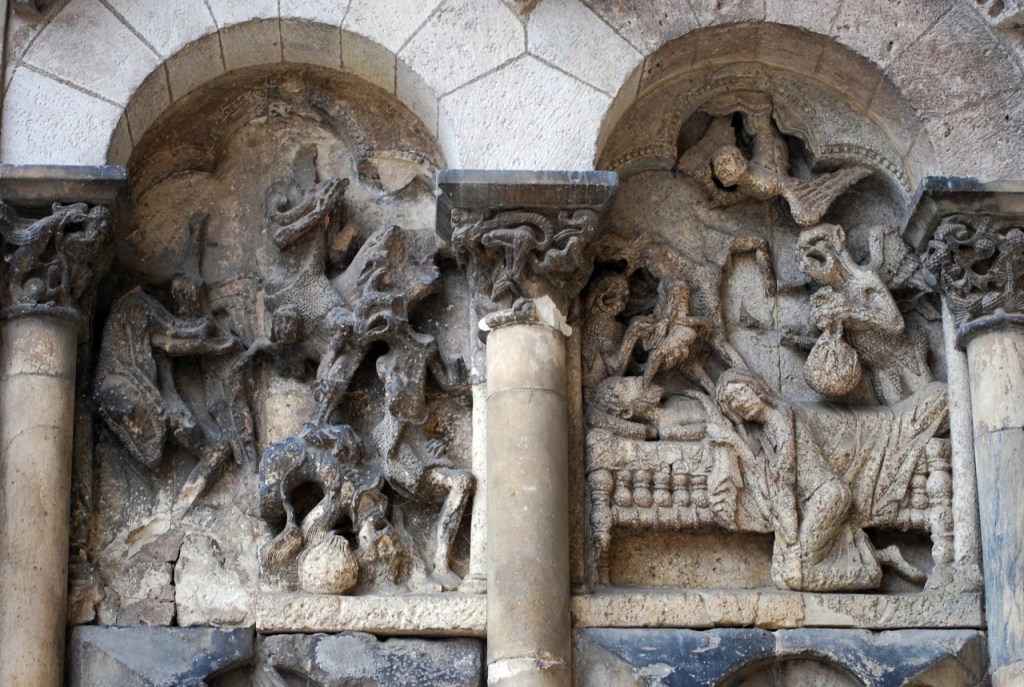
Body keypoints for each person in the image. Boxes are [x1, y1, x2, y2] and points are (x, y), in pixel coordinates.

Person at [714, 369, 921, 591]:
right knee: (781, 576)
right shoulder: (764, 429)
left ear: (756, 389)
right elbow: (767, 472)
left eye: (741, 393)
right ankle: (880, 556)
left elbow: (785, 477)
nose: (740, 404)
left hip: (825, 496)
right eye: (733, 403)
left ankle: (869, 571)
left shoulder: (781, 419)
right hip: (806, 505)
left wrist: (791, 539)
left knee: (795, 577)